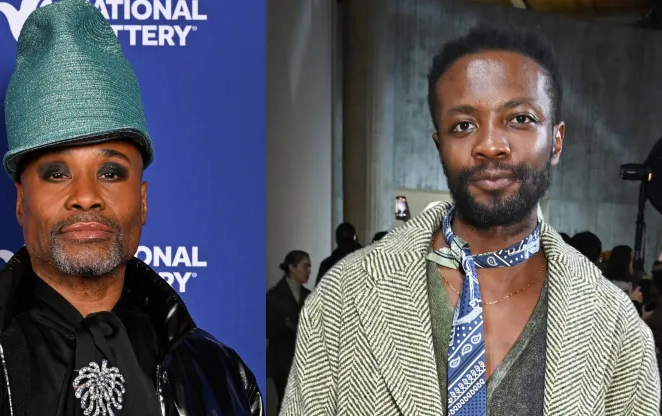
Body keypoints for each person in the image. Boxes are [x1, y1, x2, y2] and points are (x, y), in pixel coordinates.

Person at [0, 2, 262, 415]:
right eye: (56, 173)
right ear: (22, 202)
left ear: (142, 201)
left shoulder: (221, 375)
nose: (86, 195)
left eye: (110, 172)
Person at [280, 23, 659, 415]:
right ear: (439, 146)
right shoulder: (345, 295)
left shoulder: (616, 326)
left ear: (557, 141)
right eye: (464, 125)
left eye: (520, 119)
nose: (491, 145)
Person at [266, 251, 312, 413]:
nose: (309, 271)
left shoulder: (309, 296)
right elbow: (269, 330)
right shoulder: (273, 296)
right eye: (305, 266)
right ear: (292, 268)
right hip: (282, 361)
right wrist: (289, 327)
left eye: (309, 266)